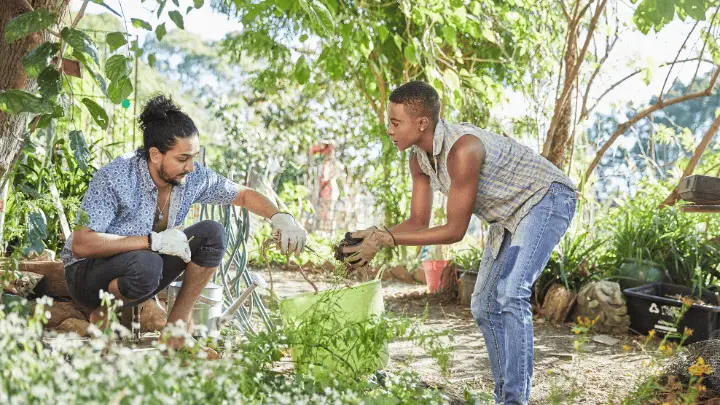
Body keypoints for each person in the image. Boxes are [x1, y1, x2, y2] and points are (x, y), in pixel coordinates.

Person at [340, 81, 576, 405]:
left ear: (421, 123)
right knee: (483, 305)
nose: (389, 130)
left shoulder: (462, 149)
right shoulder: (419, 160)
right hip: (507, 216)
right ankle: (504, 397)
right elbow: (418, 223)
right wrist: (375, 234)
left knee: (511, 293)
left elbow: (454, 230)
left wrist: (386, 239)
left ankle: (513, 401)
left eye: (395, 123)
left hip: (545, 199)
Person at [62, 95, 306, 346]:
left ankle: (176, 332)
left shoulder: (191, 178)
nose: (191, 166)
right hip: (87, 276)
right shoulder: (116, 176)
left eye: (194, 156)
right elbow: (82, 243)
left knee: (212, 234)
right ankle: (103, 312)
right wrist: (151, 241)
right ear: (155, 154)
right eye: (182, 158)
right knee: (147, 264)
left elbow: (243, 194)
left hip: (143, 269)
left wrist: (281, 217)